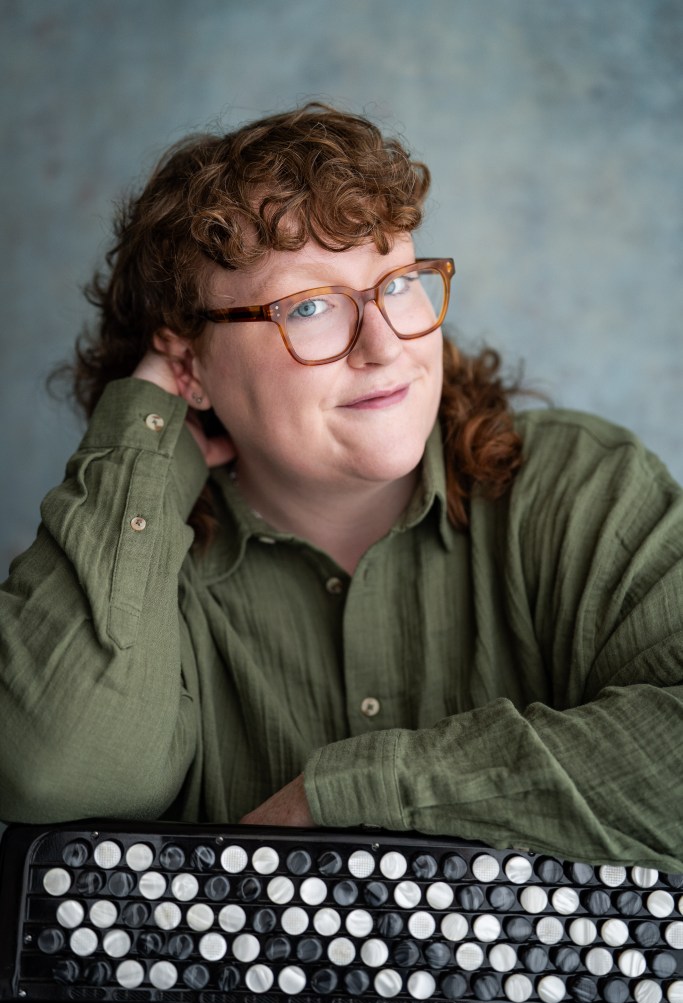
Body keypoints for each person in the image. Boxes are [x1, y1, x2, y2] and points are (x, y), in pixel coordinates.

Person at [1, 103, 681, 873]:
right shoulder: (134, 560)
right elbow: (50, 772)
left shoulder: (584, 487)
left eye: (398, 282)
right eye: (310, 306)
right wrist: (140, 436)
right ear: (189, 363)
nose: (385, 346)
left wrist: (347, 798)